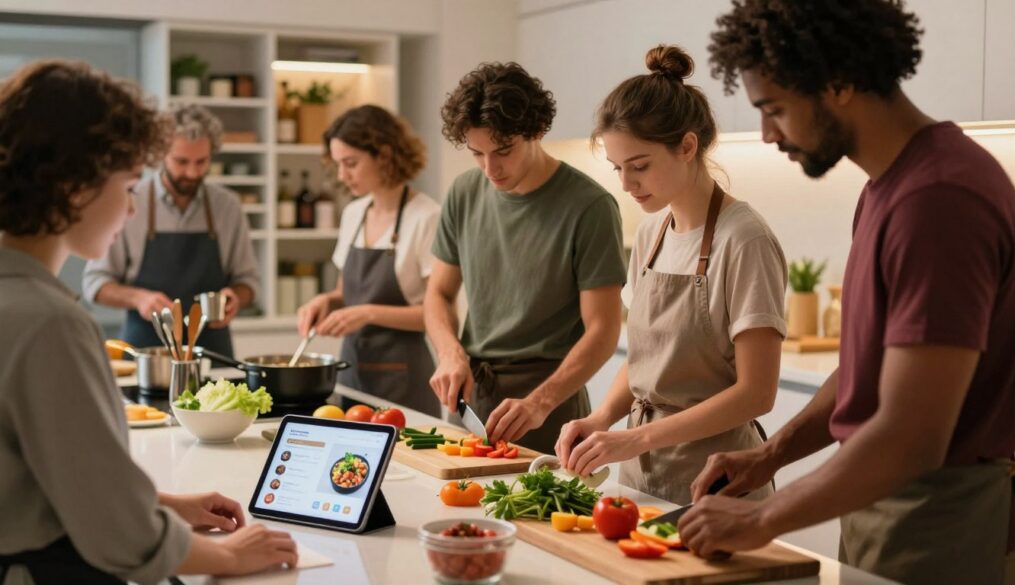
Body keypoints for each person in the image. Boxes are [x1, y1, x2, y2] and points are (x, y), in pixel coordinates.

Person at [679, 2, 1015, 584]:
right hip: (887, 506)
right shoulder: (889, 188)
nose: (766, 134)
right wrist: (770, 455)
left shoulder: (938, 201)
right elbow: (863, 372)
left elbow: (911, 437)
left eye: (775, 109)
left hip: (944, 520)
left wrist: (762, 520)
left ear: (837, 84)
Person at [0, 60, 296, 585]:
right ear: (75, 187)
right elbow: (119, 533)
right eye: (131, 186)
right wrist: (230, 556)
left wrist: (161, 503)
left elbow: (41, 477)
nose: (134, 210)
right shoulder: (51, 324)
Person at [555, 45, 786, 506]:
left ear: (687, 146)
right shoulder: (651, 233)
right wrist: (602, 418)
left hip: (718, 480)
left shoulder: (744, 240)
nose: (626, 184)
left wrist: (636, 439)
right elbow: (647, 357)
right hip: (641, 473)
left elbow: (756, 394)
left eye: (639, 166)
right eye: (619, 169)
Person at [426, 62, 627, 453]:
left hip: (550, 404)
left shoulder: (590, 207)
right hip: (473, 393)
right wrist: (450, 352)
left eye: (503, 151)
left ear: (536, 131)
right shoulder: (463, 192)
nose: (490, 168)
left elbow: (604, 331)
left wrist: (540, 402)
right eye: (477, 153)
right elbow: (438, 293)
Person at [83, 103, 260, 357]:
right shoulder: (132, 200)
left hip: (212, 352)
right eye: (181, 161)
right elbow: (95, 283)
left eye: (202, 162)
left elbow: (248, 281)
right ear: (161, 155)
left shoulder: (227, 206)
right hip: (146, 352)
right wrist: (138, 298)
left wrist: (236, 298)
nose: (192, 172)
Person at [296, 105, 440, 416]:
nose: (341, 175)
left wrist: (367, 313)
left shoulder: (426, 217)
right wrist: (326, 301)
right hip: (352, 375)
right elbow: (344, 293)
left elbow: (438, 313)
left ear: (385, 155)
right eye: (337, 165)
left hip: (404, 380)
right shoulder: (353, 214)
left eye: (351, 163)